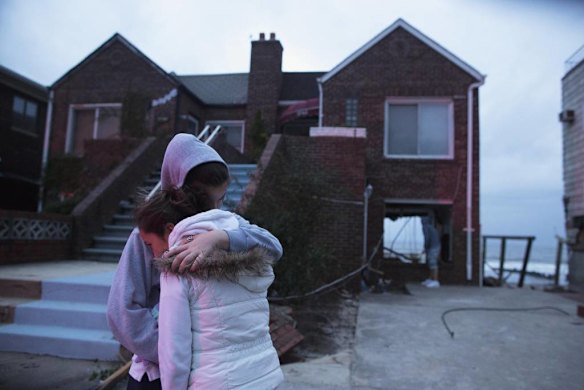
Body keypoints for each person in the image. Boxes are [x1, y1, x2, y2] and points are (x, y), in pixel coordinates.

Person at [106, 133, 283, 389]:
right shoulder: (148, 235)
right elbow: (122, 311)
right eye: (208, 198)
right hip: (159, 375)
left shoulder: (218, 226)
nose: (214, 207)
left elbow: (273, 247)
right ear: (180, 187)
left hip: (212, 372)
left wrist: (219, 238)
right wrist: (171, 353)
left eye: (220, 199)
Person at [135, 187, 283, 389]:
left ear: (170, 229)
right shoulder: (250, 250)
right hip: (267, 376)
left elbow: (174, 354)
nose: (152, 254)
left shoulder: (178, 267)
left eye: (149, 244)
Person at [421, 216, 441, 288]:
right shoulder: (431, 227)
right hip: (435, 246)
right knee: (431, 263)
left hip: (433, 247)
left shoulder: (425, 227)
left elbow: (427, 238)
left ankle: (435, 281)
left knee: (433, 263)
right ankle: (431, 279)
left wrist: (425, 248)